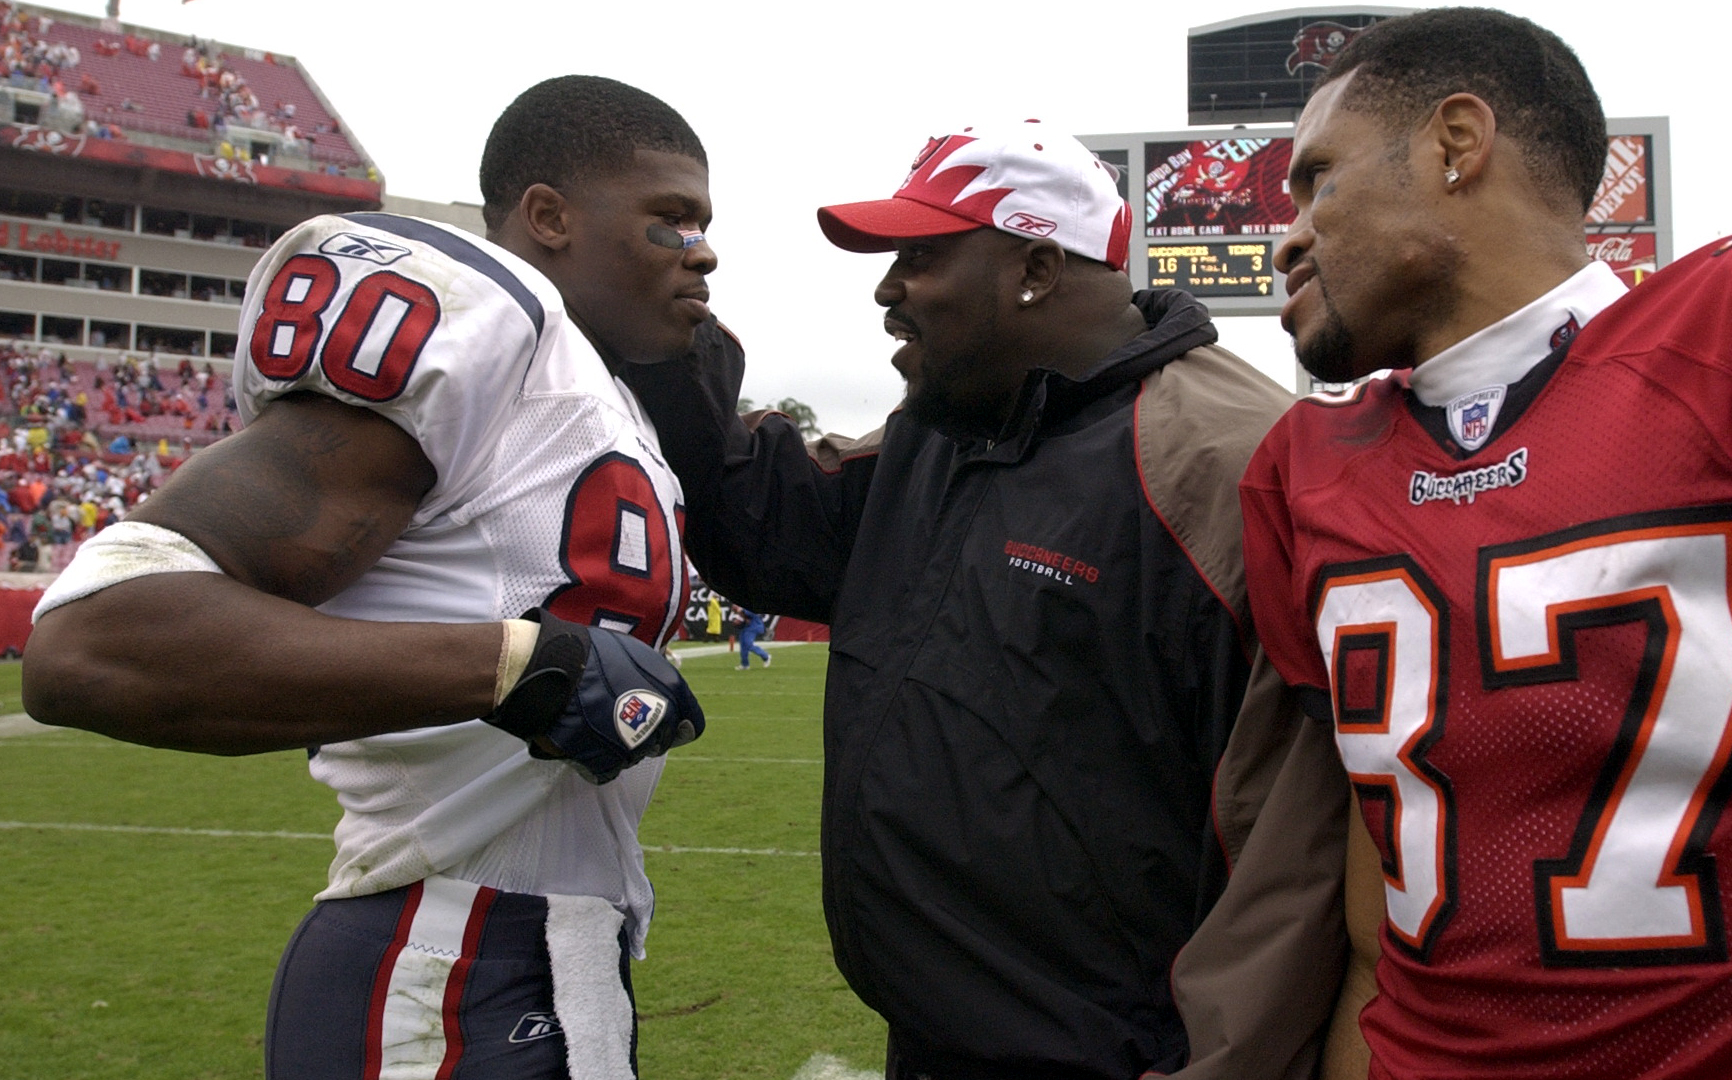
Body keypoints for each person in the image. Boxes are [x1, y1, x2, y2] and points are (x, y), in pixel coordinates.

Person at [21, 75, 716, 1080]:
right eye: (670, 218)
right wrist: (524, 664)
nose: (701, 247)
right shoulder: (480, 320)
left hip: (549, 950)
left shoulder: (602, 395)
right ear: (550, 215)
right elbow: (95, 638)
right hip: (432, 968)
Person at [622, 122, 1344, 1079]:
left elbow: (1299, 845)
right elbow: (771, 532)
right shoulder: (944, 426)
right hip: (935, 1037)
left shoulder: (1231, 461)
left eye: (920, 258)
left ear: (1036, 269)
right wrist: (674, 350)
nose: (887, 293)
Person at [1238, 9, 1732, 1077]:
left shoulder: (1708, 336)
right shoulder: (1299, 466)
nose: (1285, 235)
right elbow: (1378, 908)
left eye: (1316, 179)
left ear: (1454, 146)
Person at [733, 605, 769, 669]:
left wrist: (739, 611)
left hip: (754, 626)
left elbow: (746, 613)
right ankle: (745, 664)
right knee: (743, 646)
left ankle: (765, 656)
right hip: (746, 627)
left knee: (748, 645)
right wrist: (738, 620)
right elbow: (740, 617)